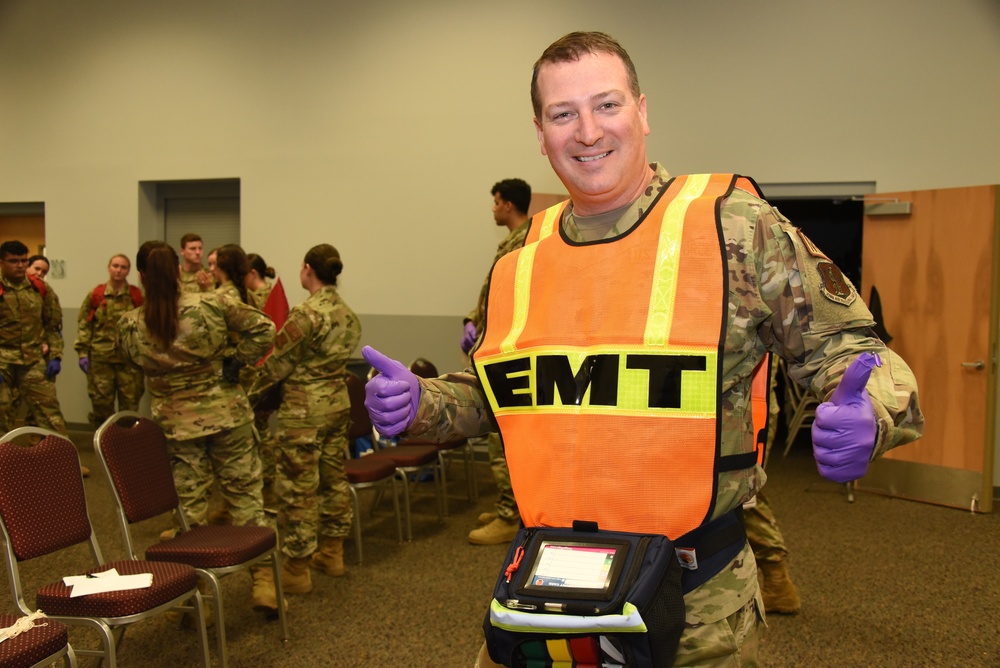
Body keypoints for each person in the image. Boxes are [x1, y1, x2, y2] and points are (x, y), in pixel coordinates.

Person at [363, 32, 923, 667]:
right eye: (562, 114)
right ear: (541, 135)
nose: (586, 131)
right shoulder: (519, 255)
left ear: (643, 111)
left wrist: (872, 413)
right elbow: (499, 393)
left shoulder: (734, 227)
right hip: (546, 589)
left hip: (697, 605)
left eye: (606, 105)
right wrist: (422, 402)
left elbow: (853, 350)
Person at [116, 240, 282, 613]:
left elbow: (132, 363)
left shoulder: (130, 324)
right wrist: (235, 362)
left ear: (141, 276)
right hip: (228, 414)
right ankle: (264, 584)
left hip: (175, 425)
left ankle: (197, 601)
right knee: (246, 499)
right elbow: (265, 330)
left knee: (188, 511)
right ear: (178, 270)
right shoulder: (212, 303)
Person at [248, 244, 361, 594]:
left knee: (298, 490)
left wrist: (248, 396)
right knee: (333, 479)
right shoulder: (348, 314)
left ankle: (297, 568)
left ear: (308, 269)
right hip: (337, 405)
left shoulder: (305, 315)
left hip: (303, 412)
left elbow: (278, 365)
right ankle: (332, 552)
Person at [462, 178, 531, 546]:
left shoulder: (522, 243)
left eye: (495, 202)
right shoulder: (513, 242)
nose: (492, 209)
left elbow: (512, 300)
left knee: (502, 441)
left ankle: (511, 515)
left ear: (507, 205)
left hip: (506, 356)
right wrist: (473, 321)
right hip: (494, 347)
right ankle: (510, 504)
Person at [75, 253, 145, 429]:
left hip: (128, 361)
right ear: (108, 267)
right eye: (115, 266)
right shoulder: (96, 294)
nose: (118, 270)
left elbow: (145, 328)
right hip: (101, 360)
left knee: (130, 406)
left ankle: (127, 446)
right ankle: (104, 443)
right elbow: (85, 324)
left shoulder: (136, 296)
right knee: (101, 406)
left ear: (129, 271)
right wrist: (82, 353)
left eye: (123, 267)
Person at [245, 253, 290, 507]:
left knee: (256, 432)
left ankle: (263, 481)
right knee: (261, 430)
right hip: (270, 374)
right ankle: (267, 480)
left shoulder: (255, 299)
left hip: (255, 374)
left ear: (252, 274)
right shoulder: (274, 294)